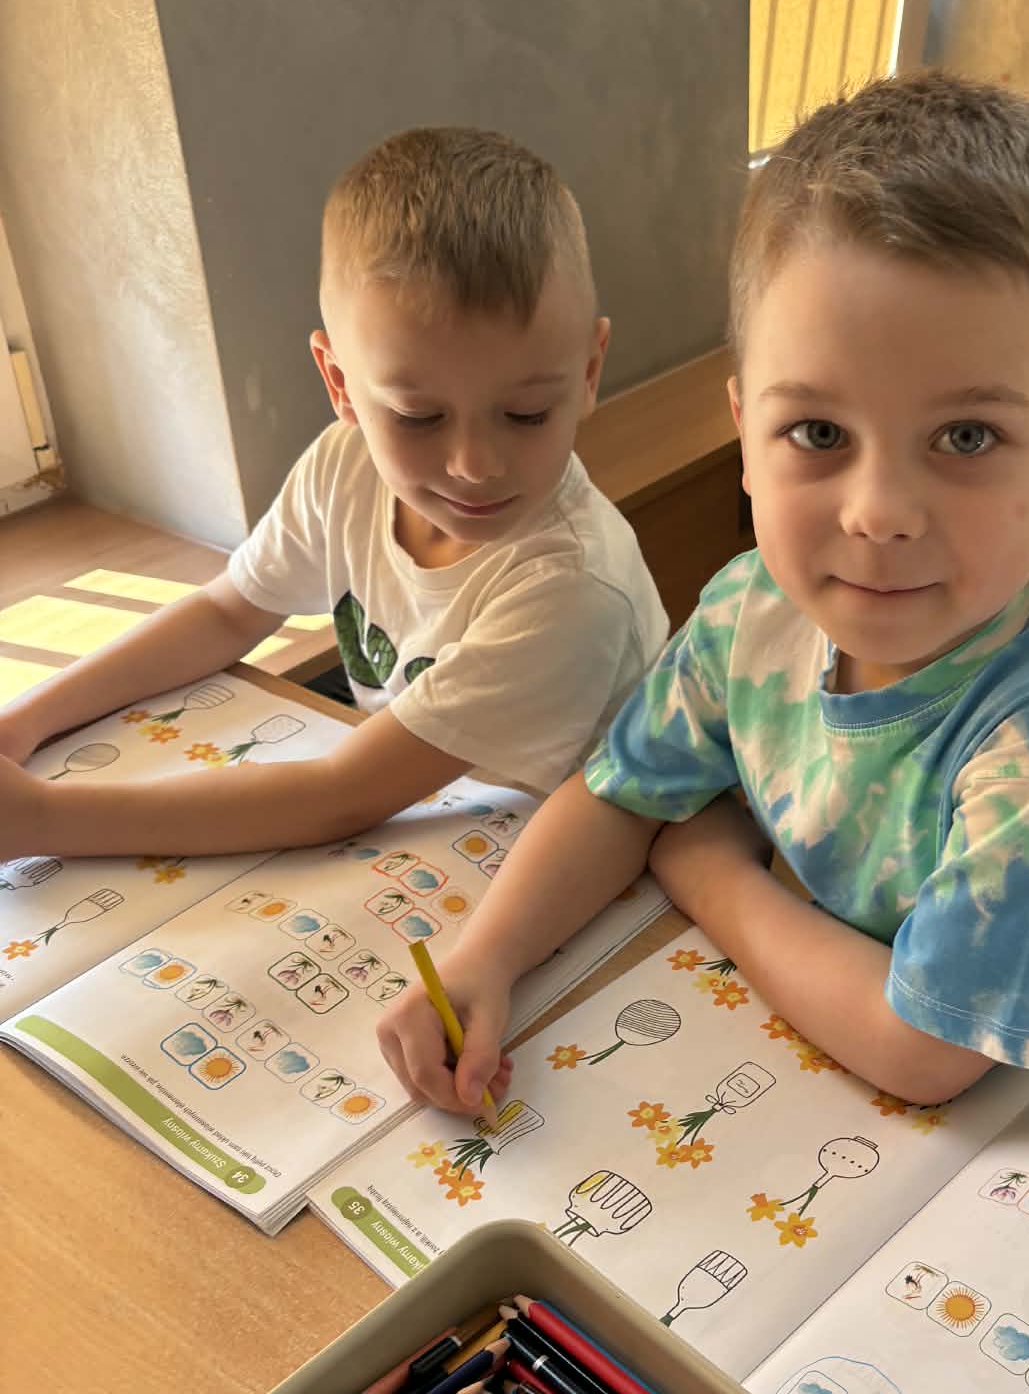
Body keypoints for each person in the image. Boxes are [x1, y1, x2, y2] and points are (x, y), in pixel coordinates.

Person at [378, 73, 1029, 1116]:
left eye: (967, 436)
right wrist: (484, 957)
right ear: (745, 433)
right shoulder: (757, 607)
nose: (878, 513)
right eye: (819, 432)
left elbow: (923, 1052)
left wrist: (710, 870)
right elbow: (622, 793)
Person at [0, 128, 668, 858]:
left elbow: (342, 795)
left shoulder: (573, 585)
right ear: (339, 382)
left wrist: (44, 821)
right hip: (429, 824)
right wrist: (24, 722)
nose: (475, 465)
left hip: (586, 866)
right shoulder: (345, 466)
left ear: (590, 371)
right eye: (418, 417)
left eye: (527, 414)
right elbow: (227, 612)